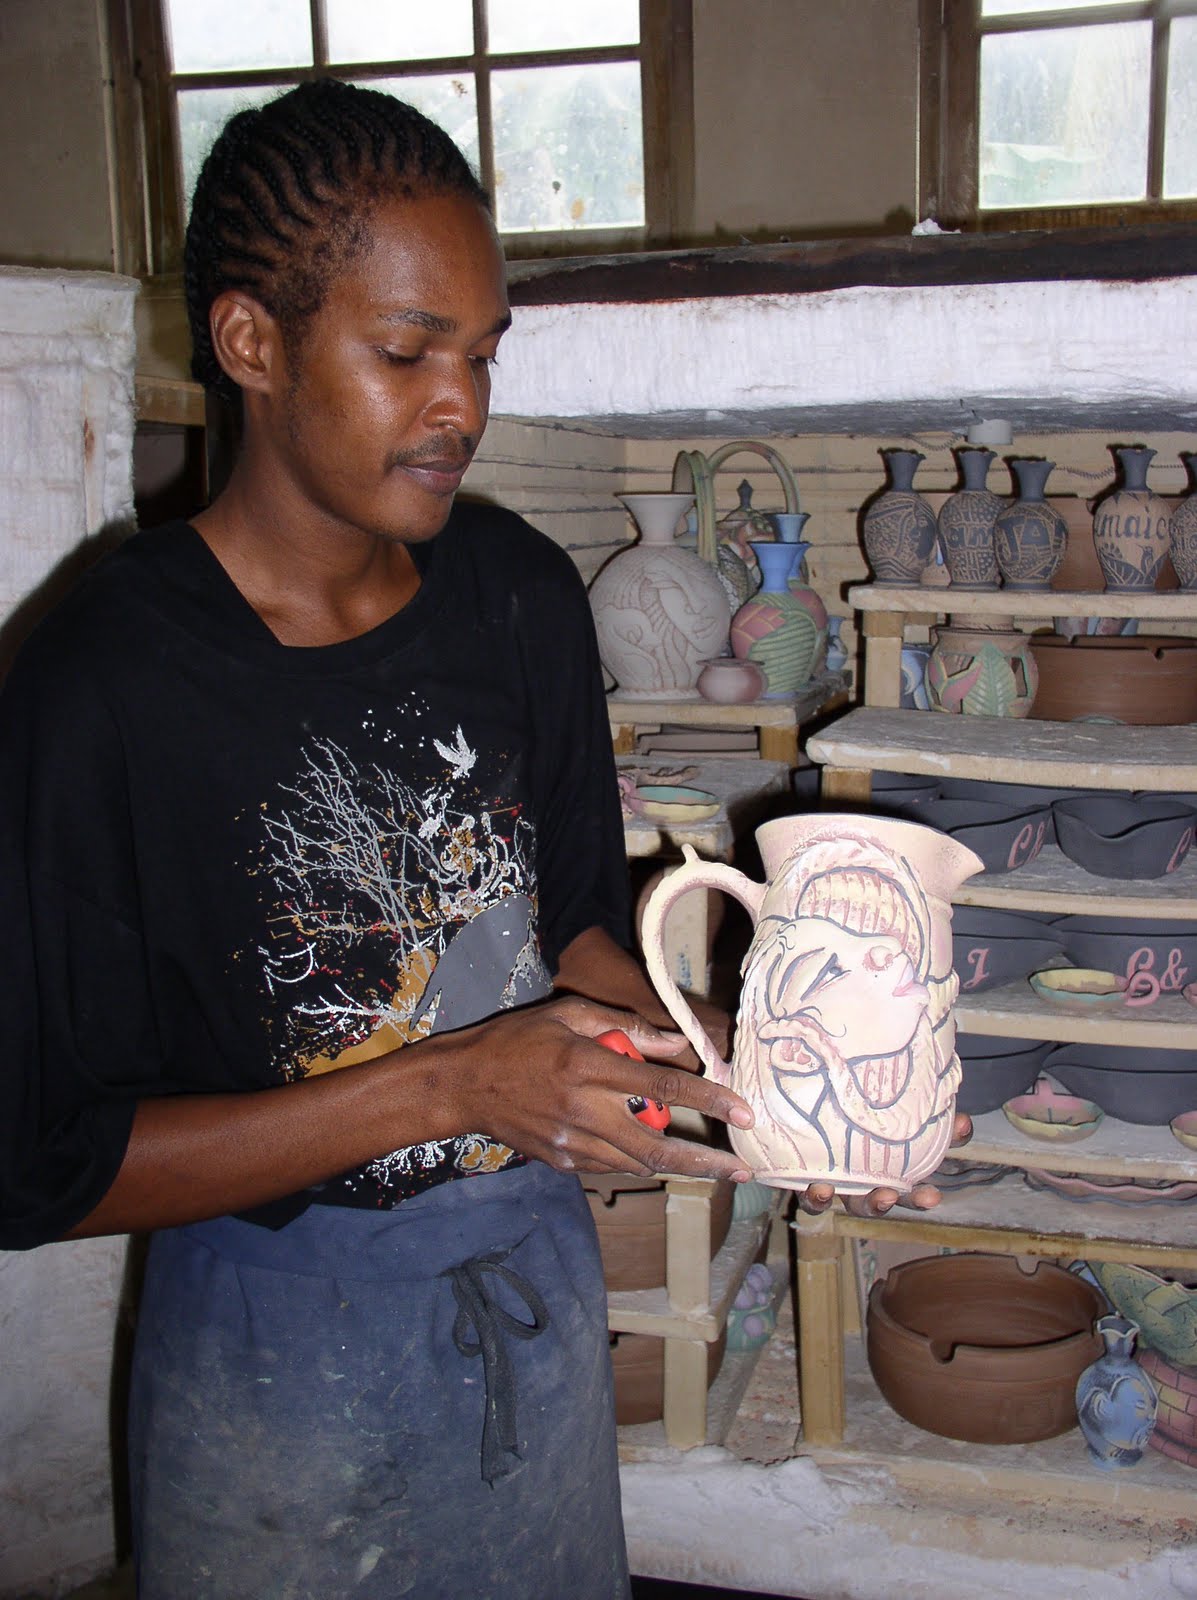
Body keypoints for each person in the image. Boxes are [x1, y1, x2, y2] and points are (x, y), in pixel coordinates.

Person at [0, 78, 962, 1599]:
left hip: (527, 1283)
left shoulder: (511, 592)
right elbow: (45, 1163)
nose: (462, 404)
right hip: (274, 1367)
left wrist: (771, 1074)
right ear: (252, 344)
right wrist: (450, 1084)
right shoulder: (102, 684)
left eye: (480, 352)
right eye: (404, 352)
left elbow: (574, 925)